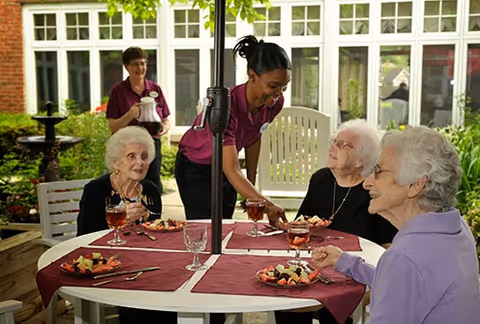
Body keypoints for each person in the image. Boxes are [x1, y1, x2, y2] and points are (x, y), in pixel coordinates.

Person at [312, 126, 480, 324]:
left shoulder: (405, 258)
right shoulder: (457, 228)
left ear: (415, 185)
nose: (367, 183)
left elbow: (404, 275)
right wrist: (346, 262)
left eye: (378, 171)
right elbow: (406, 287)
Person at [275, 120, 398, 324]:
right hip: (315, 264)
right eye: (334, 141)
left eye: (342, 145)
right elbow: (301, 224)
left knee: (332, 310)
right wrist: (286, 227)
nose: (332, 147)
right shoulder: (320, 179)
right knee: (287, 296)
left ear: (360, 160)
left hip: (353, 273)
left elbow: (389, 246)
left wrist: (379, 288)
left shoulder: (373, 191)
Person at [175, 35, 290, 226]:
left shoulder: (274, 103)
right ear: (252, 76)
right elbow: (231, 168)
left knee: (225, 225)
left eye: (284, 86)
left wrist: (251, 192)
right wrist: (268, 205)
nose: (279, 93)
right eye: (273, 85)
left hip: (226, 165)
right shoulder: (225, 107)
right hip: (195, 167)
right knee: (205, 228)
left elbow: (254, 137)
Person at [76, 126, 177, 324]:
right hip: (109, 265)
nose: (139, 162)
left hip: (146, 264)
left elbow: (158, 234)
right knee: (148, 301)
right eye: (131, 156)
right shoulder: (96, 191)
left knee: (179, 288)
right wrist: (117, 225)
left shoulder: (151, 190)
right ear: (116, 162)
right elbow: (84, 238)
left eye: (144, 156)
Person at [106, 46, 170, 209]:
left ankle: (155, 220)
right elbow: (112, 126)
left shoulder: (155, 89)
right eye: (135, 64)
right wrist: (129, 115)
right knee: (128, 184)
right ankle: (129, 219)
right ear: (126, 67)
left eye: (143, 63)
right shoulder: (118, 91)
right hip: (128, 148)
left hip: (151, 145)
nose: (140, 68)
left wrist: (164, 127)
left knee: (153, 185)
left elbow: (166, 119)